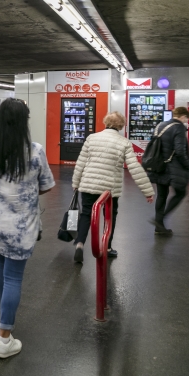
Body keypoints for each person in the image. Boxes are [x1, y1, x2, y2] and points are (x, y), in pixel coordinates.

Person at [0, 99, 55, 358]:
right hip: (20, 228)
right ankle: (4, 339)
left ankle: (3, 311)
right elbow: (47, 185)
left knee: (1, 267)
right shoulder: (35, 151)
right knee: (13, 278)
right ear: (24, 122)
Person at [71, 111, 154, 263]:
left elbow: (81, 162)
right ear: (121, 126)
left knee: (86, 214)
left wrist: (75, 183)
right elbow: (134, 167)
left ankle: (80, 243)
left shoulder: (92, 138)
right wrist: (148, 191)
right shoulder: (124, 143)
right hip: (109, 189)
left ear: (105, 122)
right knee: (110, 216)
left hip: (88, 183)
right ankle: (107, 247)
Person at [147, 106, 189, 235]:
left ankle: (159, 225)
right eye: (186, 118)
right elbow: (179, 151)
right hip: (171, 167)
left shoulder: (161, 125)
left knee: (161, 195)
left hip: (158, 166)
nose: (186, 121)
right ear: (183, 116)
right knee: (180, 193)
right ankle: (161, 219)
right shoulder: (178, 128)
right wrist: (187, 165)